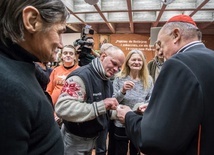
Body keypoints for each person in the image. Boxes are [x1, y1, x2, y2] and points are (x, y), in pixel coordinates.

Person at [116, 14, 214, 155]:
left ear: (176, 35)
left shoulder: (178, 63)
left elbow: (153, 139)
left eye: (161, 44)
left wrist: (128, 117)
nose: (160, 52)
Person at [0, 0, 69, 154]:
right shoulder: (7, 87)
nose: (61, 44)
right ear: (31, 20)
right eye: (59, 32)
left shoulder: (17, 66)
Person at [55, 46, 125, 155]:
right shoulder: (81, 76)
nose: (116, 69)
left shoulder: (107, 81)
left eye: (119, 67)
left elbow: (103, 111)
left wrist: (121, 113)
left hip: (92, 140)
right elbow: (63, 108)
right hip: (74, 141)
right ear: (103, 56)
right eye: (114, 63)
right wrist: (102, 105)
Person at [112, 49, 153, 155]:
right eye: (133, 59)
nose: (137, 62)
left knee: (136, 151)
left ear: (143, 63)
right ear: (128, 62)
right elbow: (113, 101)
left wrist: (142, 107)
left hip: (138, 121)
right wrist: (122, 91)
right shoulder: (119, 78)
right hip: (121, 121)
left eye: (140, 60)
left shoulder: (148, 80)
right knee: (120, 151)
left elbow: (150, 99)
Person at [94, 43, 113, 155]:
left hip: (104, 117)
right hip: (90, 119)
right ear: (102, 56)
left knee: (101, 148)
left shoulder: (109, 76)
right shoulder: (88, 73)